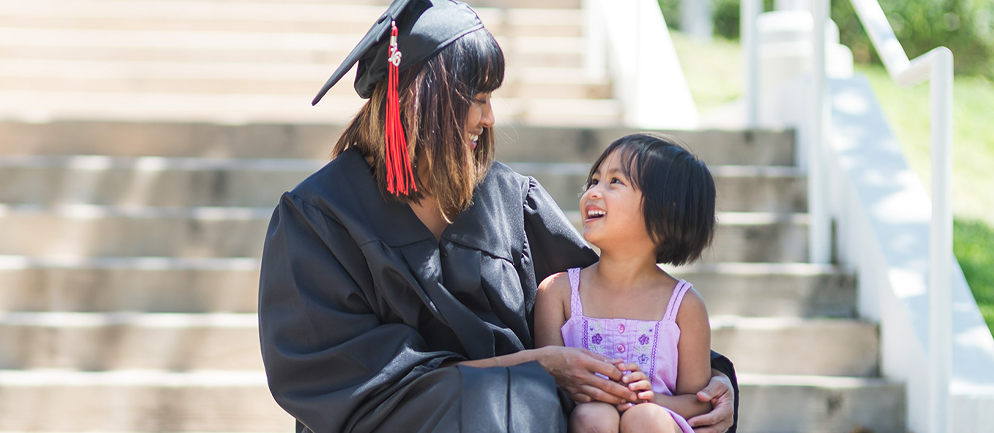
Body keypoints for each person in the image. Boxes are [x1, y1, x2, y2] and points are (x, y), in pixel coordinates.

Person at [258, 1, 738, 432]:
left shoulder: (507, 202)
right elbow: (355, 387)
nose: (489, 119)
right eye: (479, 98)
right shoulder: (320, 220)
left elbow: (610, 298)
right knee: (518, 396)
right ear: (423, 99)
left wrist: (712, 382)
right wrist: (534, 367)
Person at [534, 133, 718, 433]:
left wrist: (653, 399)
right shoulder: (558, 293)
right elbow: (543, 388)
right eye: (593, 181)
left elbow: (699, 402)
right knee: (593, 416)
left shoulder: (684, 306)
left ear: (666, 210)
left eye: (615, 182)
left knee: (646, 418)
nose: (593, 191)